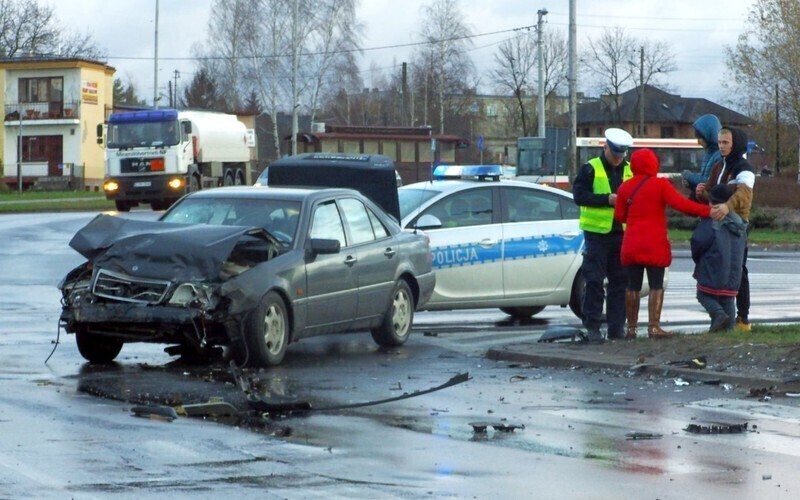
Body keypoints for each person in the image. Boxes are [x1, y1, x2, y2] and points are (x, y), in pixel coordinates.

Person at [614, 148, 713, 339]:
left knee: (632, 286)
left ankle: (631, 329)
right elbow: (682, 205)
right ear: (653, 164)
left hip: (632, 243)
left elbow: (619, 215)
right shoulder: (660, 185)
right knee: (656, 285)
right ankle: (653, 327)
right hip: (654, 243)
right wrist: (707, 211)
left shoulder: (625, 187)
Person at [572, 128, 634, 343]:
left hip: (621, 234)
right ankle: (593, 327)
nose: (617, 160)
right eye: (614, 155)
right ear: (605, 147)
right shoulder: (590, 168)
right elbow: (579, 196)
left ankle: (617, 329)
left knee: (620, 283)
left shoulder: (630, 170)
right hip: (596, 235)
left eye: (621, 156)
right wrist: (606, 199)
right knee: (595, 281)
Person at [695, 126, 755, 331]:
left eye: (726, 142)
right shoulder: (719, 165)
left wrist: (727, 206)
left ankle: (742, 318)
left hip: (736, 224)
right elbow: (713, 193)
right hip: (719, 222)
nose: (721, 146)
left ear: (736, 143)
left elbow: (743, 194)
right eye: (720, 142)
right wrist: (701, 193)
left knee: (738, 271)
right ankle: (724, 324)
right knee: (724, 273)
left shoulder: (743, 167)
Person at [690, 184, 748, 332]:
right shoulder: (740, 224)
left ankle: (718, 314)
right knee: (727, 298)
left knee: (703, 294)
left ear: (711, 202)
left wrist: (699, 261)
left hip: (714, 268)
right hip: (734, 273)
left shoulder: (712, 221)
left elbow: (698, 243)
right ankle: (728, 329)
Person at [681, 114, 722, 200]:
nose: (698, 142)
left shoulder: (719, 156)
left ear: (708, 136)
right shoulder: (709, 154)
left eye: (699, 138)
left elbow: (710, 182)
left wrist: (689, 176)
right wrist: (691, 184)